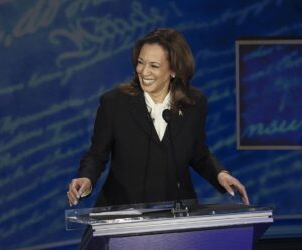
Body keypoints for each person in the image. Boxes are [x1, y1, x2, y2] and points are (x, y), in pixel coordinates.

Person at [67, 28, 249, 209]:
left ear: (174, 70)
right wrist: (87, 178)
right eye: (140, 62)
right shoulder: (114, 103)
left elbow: (198, 153)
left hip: (176, 212)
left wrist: (220, 174)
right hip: (123, 212)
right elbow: (97, 155)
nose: (143, 71)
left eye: (154, 66)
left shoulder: (194, 103)